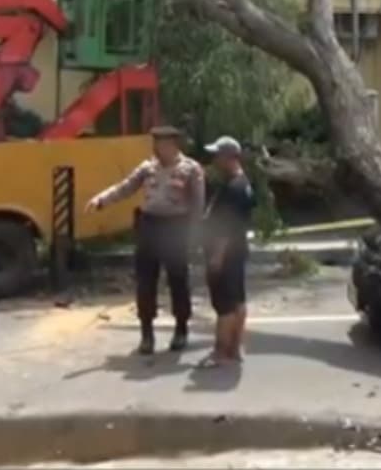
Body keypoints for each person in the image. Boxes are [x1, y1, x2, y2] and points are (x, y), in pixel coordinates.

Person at [85, 125, 204, 355]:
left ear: (173, 144)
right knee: (145, 281)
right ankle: (146, 334)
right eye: (155, 143)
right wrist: (101, 200)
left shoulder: (191, 169)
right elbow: (125, 188)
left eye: (161, 143)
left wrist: (195, 238)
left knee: (178, 281)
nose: (157, 147)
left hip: (176, 228)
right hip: (150, 226)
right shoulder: (147, 168)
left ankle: (181, 329)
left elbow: (198, 207)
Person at [198, 135, 256, 368]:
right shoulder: (242, 184)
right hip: (237, 250)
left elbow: (226, 228)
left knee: (224, 305)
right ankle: (236, 347)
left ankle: (221, 352)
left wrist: (216, 257)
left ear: (229, 157)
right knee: (238, 300)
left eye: (217, 155)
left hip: (226, 252)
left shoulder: (233, 188)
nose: (214, 159)